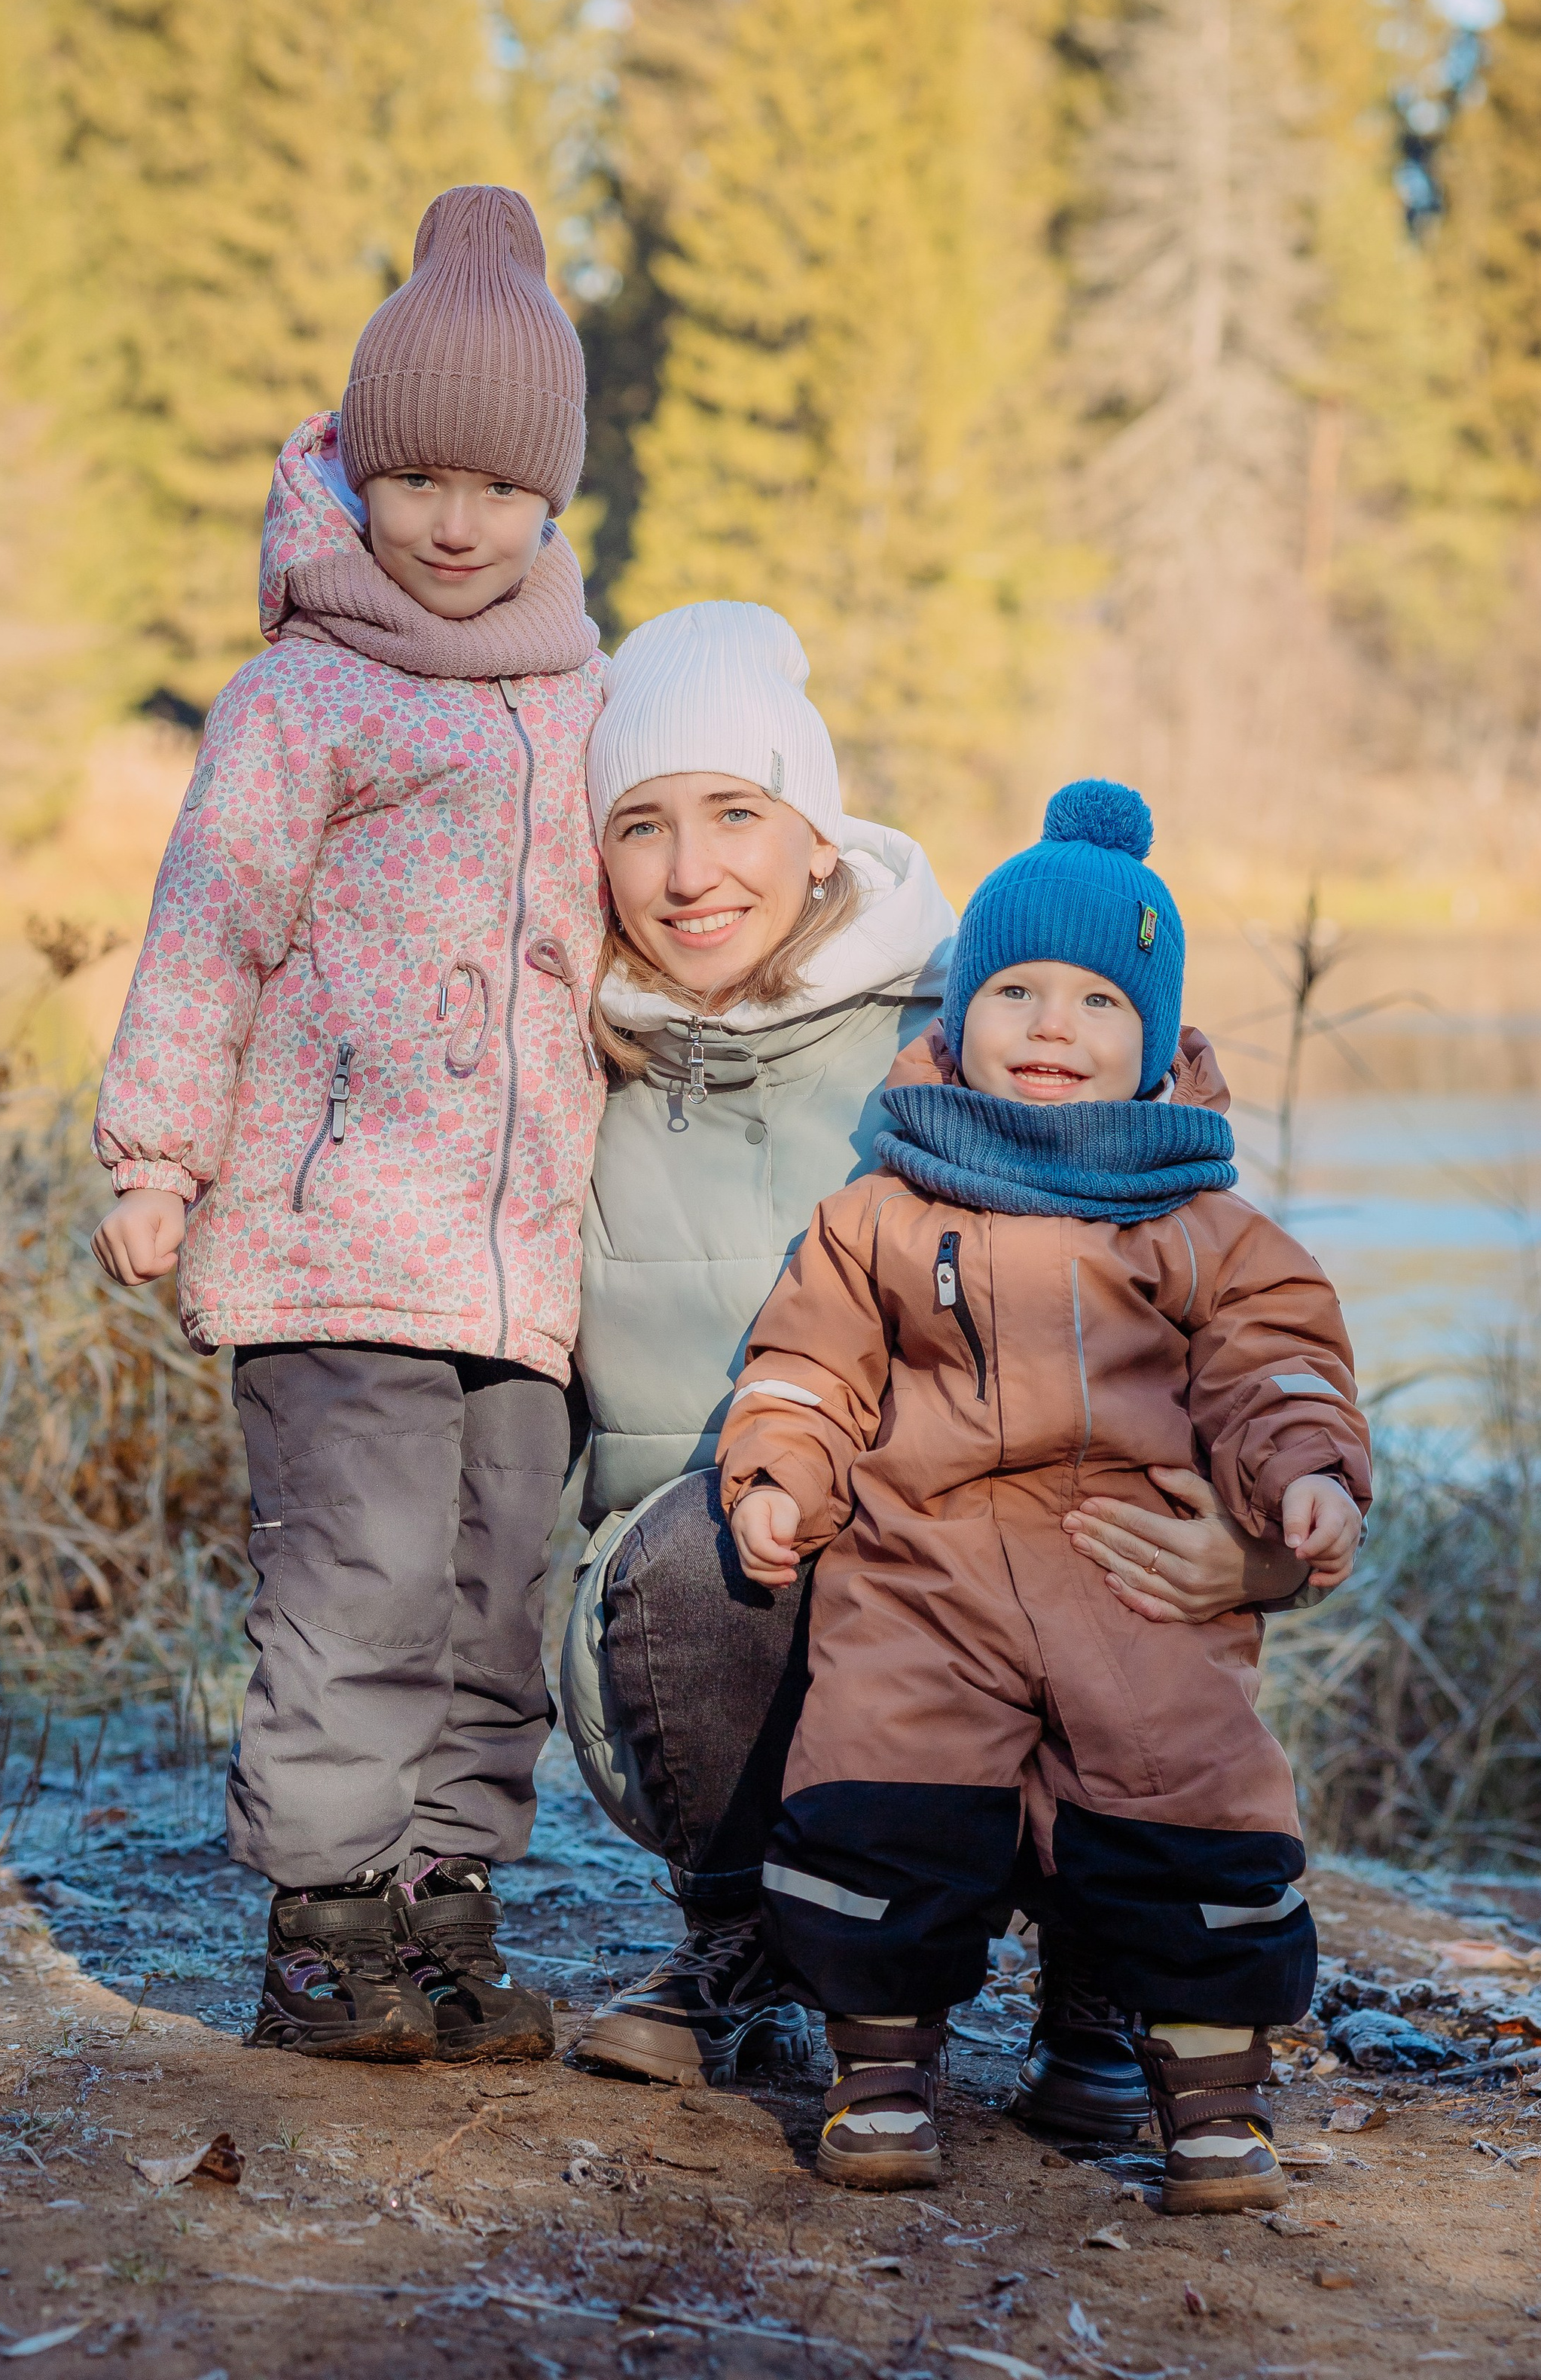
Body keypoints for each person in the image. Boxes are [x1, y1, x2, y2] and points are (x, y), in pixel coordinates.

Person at [560, 626, 1336, 2143]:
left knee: (1130, 1690)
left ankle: (1119, 1999)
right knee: (773, 1625)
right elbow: (806, 1348)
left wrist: (1271, 1526)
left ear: (816, 835)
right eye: (638, 823)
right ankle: (791, 1968)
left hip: (1073, 1545)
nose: (688, 870)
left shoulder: (1026, 1084)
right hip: (814, 1536)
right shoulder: (570, 1044)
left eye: (734, 814)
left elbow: (1253, 1342)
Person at [90, 187, 606, 2069]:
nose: (456, 522)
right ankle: (323, 1934)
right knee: (360, 1587)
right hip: (329, 1245)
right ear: (358, 473)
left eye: (497, 485)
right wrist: (155, 1157)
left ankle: (439, 1916)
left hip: (520, 1263)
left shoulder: (580, 695)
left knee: (493, 1601)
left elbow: (672, 919)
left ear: (553, 496)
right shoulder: (304, 696)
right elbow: (206, 930)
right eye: (418, 479)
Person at [721, 780, 1369, 2209]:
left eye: (1095, 999)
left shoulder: (1203, 1229)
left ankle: (1210, 2094)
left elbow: (1277, 1367)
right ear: (957, 1022)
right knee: (886, 1794)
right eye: (1014, 990)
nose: (1052, 1026)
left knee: (1187, 1805)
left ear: (1157, 1042)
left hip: (1132, 1575)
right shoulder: (881, 1210)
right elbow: (809, 1362)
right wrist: (779, 1471)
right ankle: (883, 2071)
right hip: (927, 1570)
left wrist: (1307, 1476)